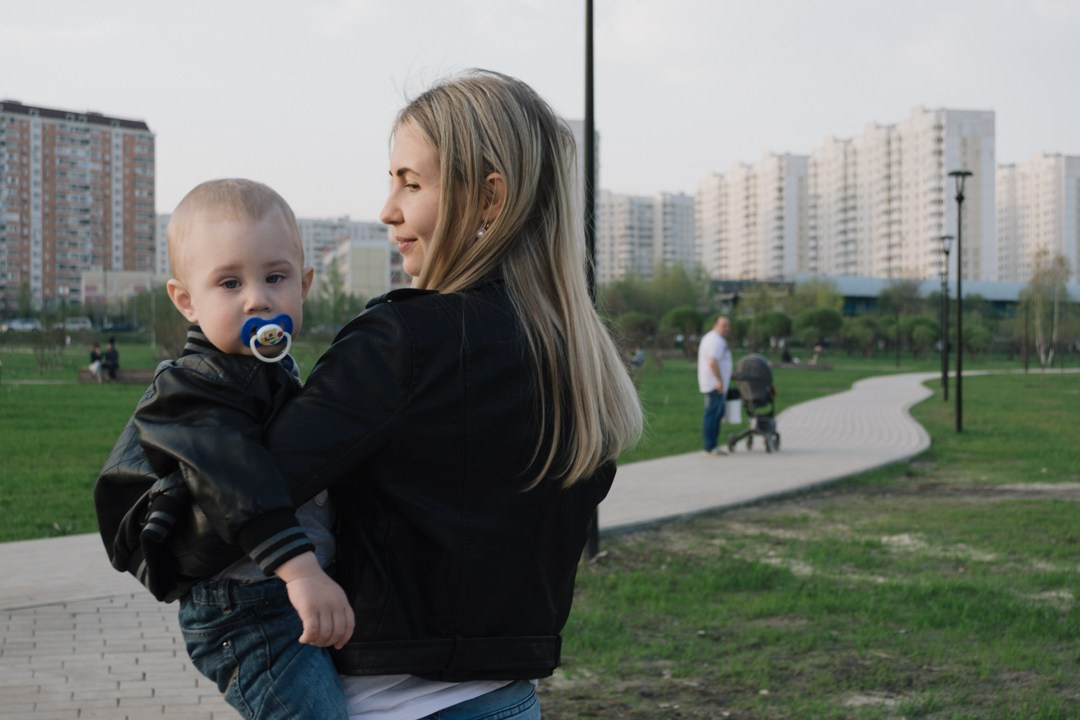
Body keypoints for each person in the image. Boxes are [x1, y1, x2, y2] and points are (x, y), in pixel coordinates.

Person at [168, 70, 644, 720]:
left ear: (489, 199)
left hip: (389, 706)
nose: (387, 210)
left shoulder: (404, 343)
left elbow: (227, 514)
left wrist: (146, 533)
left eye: (410, 183)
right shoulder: (580, 363)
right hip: (509, 702)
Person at [93, 178, 353, 719]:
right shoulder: (194, 385)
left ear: (304, 284)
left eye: (275, 277)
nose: (258, 298)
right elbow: (235, 481)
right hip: (247, 609)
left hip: (283, 591)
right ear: (187, 300)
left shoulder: (268, 371)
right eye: (230, 283)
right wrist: (303, 573)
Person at [697, 315, 733, 456]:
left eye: (728, 326)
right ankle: (711, 446)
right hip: (715, 385)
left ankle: (711, 446)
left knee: (714, 414)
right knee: (713, 415)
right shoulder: (715, 341)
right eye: (724, 325)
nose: (727, 328)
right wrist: (720, 381)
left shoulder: (711, 338)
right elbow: (712, 362)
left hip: (713, 383)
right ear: (715, 325)